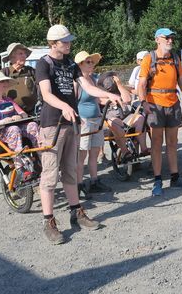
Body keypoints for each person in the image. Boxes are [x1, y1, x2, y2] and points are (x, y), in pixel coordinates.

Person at [35, 25, 119, 244]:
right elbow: (45, 94)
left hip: (71, 123)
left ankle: (76, 213)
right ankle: (48, 221)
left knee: (71, 170)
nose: (69, 44)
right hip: (52, 124)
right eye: (64, 41)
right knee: (50, 174)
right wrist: (63, 106)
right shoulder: (43, 64)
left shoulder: (71, 64)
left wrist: (109, 95)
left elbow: (88, 88)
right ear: (53, 43)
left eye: (69, 40)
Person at [138, 28, 182, 196]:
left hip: (172, 103)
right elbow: (141, 84)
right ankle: (157, 180)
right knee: (156, 144)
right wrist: (144, 102)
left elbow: (181, 82)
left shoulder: (175, 58)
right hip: (154, 105)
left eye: (172, 38)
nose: (171, 40)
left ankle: (175, 177)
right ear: (158, 39)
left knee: (172, 143)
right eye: (167, 38)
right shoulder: (149, 59)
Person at [0, 71, 39, 180]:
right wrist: (2, 122)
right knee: (13, 129)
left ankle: (39, 158)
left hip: (10, 132)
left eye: (5, 81)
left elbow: (23, 114)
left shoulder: (7, 99)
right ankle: (20, 168)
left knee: (32, 125)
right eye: (2, 81)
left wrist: (19, 116)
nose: (5, 83)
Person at [74, 51, 113, 199]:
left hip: (96, 119)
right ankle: (79, 184)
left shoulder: (93, 79)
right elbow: (72, 102)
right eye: (88, 62)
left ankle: (94, 181)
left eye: (92, 62)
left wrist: (110, 99)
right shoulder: (76, 82)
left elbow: (98, 99)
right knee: (82, 155)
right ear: (80, 65)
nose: (92, 64)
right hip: (83, 121)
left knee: (95, 153)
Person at [98, 70, 149, 160]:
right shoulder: (100, 93)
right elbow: (100, 100)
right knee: (115, 121)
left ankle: (144, 148)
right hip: (110, 120)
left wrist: (119, 84)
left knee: (140, 118)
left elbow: (127, 99)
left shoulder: (120, 88)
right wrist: (110, 98)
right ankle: (125, 152)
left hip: (126, 117)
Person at [1, 42, 37, 115]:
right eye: (20, 54)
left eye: (25, 54)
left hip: (33, 112)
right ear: (11, 57)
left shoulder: (31, 71)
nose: (24, 56)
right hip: (11, 114)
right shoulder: (4, 73)